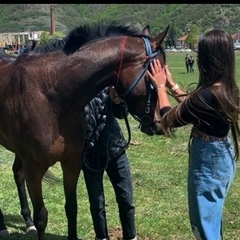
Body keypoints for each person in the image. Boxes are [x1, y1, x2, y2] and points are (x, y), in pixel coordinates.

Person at [147, 29, 239, 240]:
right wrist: (172, 84)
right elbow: (194, 107)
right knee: (212, 220)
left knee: (204, 227)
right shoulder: (227, 89)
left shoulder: (205, 96)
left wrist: (160, 87)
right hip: (222, 158)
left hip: (208, 164)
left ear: (207, 60)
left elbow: (167, 119)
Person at [82, 86, 137, 240]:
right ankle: (101, 237)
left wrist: (118, 101)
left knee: (126, 199)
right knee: (96, 203)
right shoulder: (77, 88)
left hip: (115, 150)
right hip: (90, 154)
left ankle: (130, 236)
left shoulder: (107, 85)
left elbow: (122, 114)